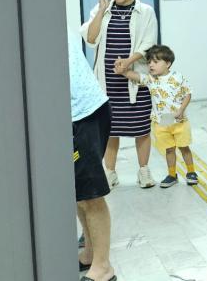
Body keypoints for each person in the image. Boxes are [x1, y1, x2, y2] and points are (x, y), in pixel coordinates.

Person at [81, 0, 158, 189]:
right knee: (110, 129)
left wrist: (128, 62)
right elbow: (90, 38)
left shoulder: (145, 11)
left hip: (134, 77)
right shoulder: (101, 10)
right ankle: (110, 173)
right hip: (107, 80)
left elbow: (149, 43)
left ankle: (144, 171)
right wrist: (101, 10)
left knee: (141, 128)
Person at [68, 31, 117, 281]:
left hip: (84, 112)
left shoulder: (41, 19)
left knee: (90, 195)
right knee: (79, 193)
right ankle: (89, 253)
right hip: (73, 112)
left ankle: (103, 267)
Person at [115, 44, 198, 188]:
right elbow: (136, 76)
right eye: (149, 62)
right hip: (162, 122)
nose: (151, 65)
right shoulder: (151, 79)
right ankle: (172, 175)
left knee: (184, 147)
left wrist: (181, 110)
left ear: (168, 64)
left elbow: (188, 93)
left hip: (179, 121)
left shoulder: (177, 77)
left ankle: (191, 172)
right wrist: (123, 71)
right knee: (169, 149)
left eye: (155, 62)